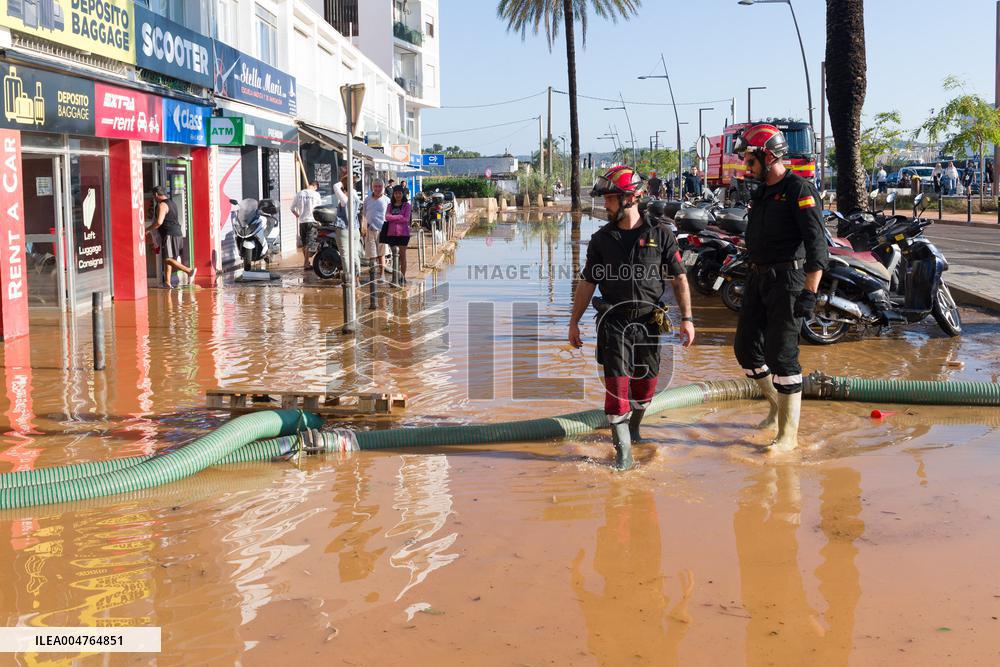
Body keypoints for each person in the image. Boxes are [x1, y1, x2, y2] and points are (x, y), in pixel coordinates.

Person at [568, 165, 695, 470]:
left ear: (630, 198)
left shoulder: (660, 234)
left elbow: (678, 279)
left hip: (650, 323)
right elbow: (588, 283)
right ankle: (623, 455)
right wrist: (573, 322)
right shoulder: (601, 239)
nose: (606, 205)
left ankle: (634, 428)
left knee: (647, 388)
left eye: (610, 199)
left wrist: (687, 319)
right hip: (614, 322)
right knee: (617, 390)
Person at [732, 124, 828, 453]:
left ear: (768, 155)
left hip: (789, 282)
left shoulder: (799, 190)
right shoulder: (761, 192)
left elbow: (818, 249)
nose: (747, 166)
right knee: (746, 349)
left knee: (783, 357)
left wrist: (809, 294)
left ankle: (788, 437)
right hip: (758, 279)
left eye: (750, 159)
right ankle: (776, 406)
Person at [147, 186, 196, 288]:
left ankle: (189, 271)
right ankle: (167, 282)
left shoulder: (162, 205)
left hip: (170, 234)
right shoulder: (172, 203)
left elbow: (159, 222)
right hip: (177, 233)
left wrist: (147, 229)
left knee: (167, 259)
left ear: (156, 194)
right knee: (169, 258)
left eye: (153, 196)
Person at [333, 166, 362, 281]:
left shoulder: (345, 199)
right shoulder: (355, 196)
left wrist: (345, 181)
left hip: (344, 228)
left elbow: (335, 186)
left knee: (345, 255)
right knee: (354, 254)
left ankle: (348, 279)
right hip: (355, 230)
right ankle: (357, 278)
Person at [381, 185, 412, 285]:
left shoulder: (407, 205)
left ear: (402, 194)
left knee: (402, 256)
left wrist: (393, 217)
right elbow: (387, 217)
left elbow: (406, 219)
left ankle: (402, 277)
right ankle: (395, 278)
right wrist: (399, 217)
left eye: (399, 193)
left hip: (403, 234)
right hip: (391, 234)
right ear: (393, 194)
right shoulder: (390, 205)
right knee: (395, 256)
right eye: (395, 193)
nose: (397, 195)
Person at [362, 179, 391, 278]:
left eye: (379, 186)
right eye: (375, 186)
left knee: (381, 255)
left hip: (382, 230)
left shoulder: (387, 200)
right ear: (372, 187)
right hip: (370, 229)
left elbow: (390, 215)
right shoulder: (367, 199)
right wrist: (364, 227)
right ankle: (372, 276)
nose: (377, 188)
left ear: (383, 187)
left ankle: (382, 275)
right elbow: (364, 214)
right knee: (372, 255)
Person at [291, 180, 322, 269]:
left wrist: (298, 215)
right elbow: (319, 209)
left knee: (304, 243)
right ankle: (306, 263)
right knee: (309, 243)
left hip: (302, 221)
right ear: (315, 186)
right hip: (312, 221)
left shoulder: (299, 194)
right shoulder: (316, 194)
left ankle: (307, 262)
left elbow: (292, 208)